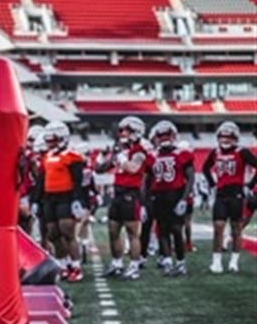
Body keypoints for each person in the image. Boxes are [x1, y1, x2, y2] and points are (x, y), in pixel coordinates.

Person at [96, 116, 149, 280]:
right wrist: (104, 157)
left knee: (133, 233)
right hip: (117, 194)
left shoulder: (139, 150)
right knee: (113, 231)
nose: (123, 134)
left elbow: (133, 169)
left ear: (136, 132)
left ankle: (134, 267)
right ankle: (117, 263)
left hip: (131, 194)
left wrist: (120, 156)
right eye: (122, 130)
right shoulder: (120, 149)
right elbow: (100, 169)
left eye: (127, 130)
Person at [203, 121, 257, 273]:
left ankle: (234, 262)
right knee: (218, 227)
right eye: (222, 137)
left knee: (236, 229)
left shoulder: (242, 152)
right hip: (221, 193)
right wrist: (212, 184)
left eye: (229, 137)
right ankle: (216, 262)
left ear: (235, 138)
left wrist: (250, 185)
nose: (225, 140)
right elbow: (205, 168)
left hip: (237, 193)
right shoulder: (215, 152)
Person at [34, 121, 85, 282]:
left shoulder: (72, 156)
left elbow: (78, 181)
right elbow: (41, 181)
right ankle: (63, 265)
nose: (50, 143)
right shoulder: (47, 157)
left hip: (66, 196)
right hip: (49, 198)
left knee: (67, 231)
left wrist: (77, 200)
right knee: (53, 233)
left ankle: (76, 266)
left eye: (53, 139)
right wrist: (36, 200)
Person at [145, 120, 195, 276]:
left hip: (175, 194)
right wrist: (144, 203)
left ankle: (180, 262)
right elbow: (146, 181)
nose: (164, 138)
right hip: (158, 196)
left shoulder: (182, 153)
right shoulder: (152, 156)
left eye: (167, 135)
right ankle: (167, 261)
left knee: (176, 230)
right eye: (161, 136)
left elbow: (191, 177)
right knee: (162, 230)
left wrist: (184, 199)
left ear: (174, 136)